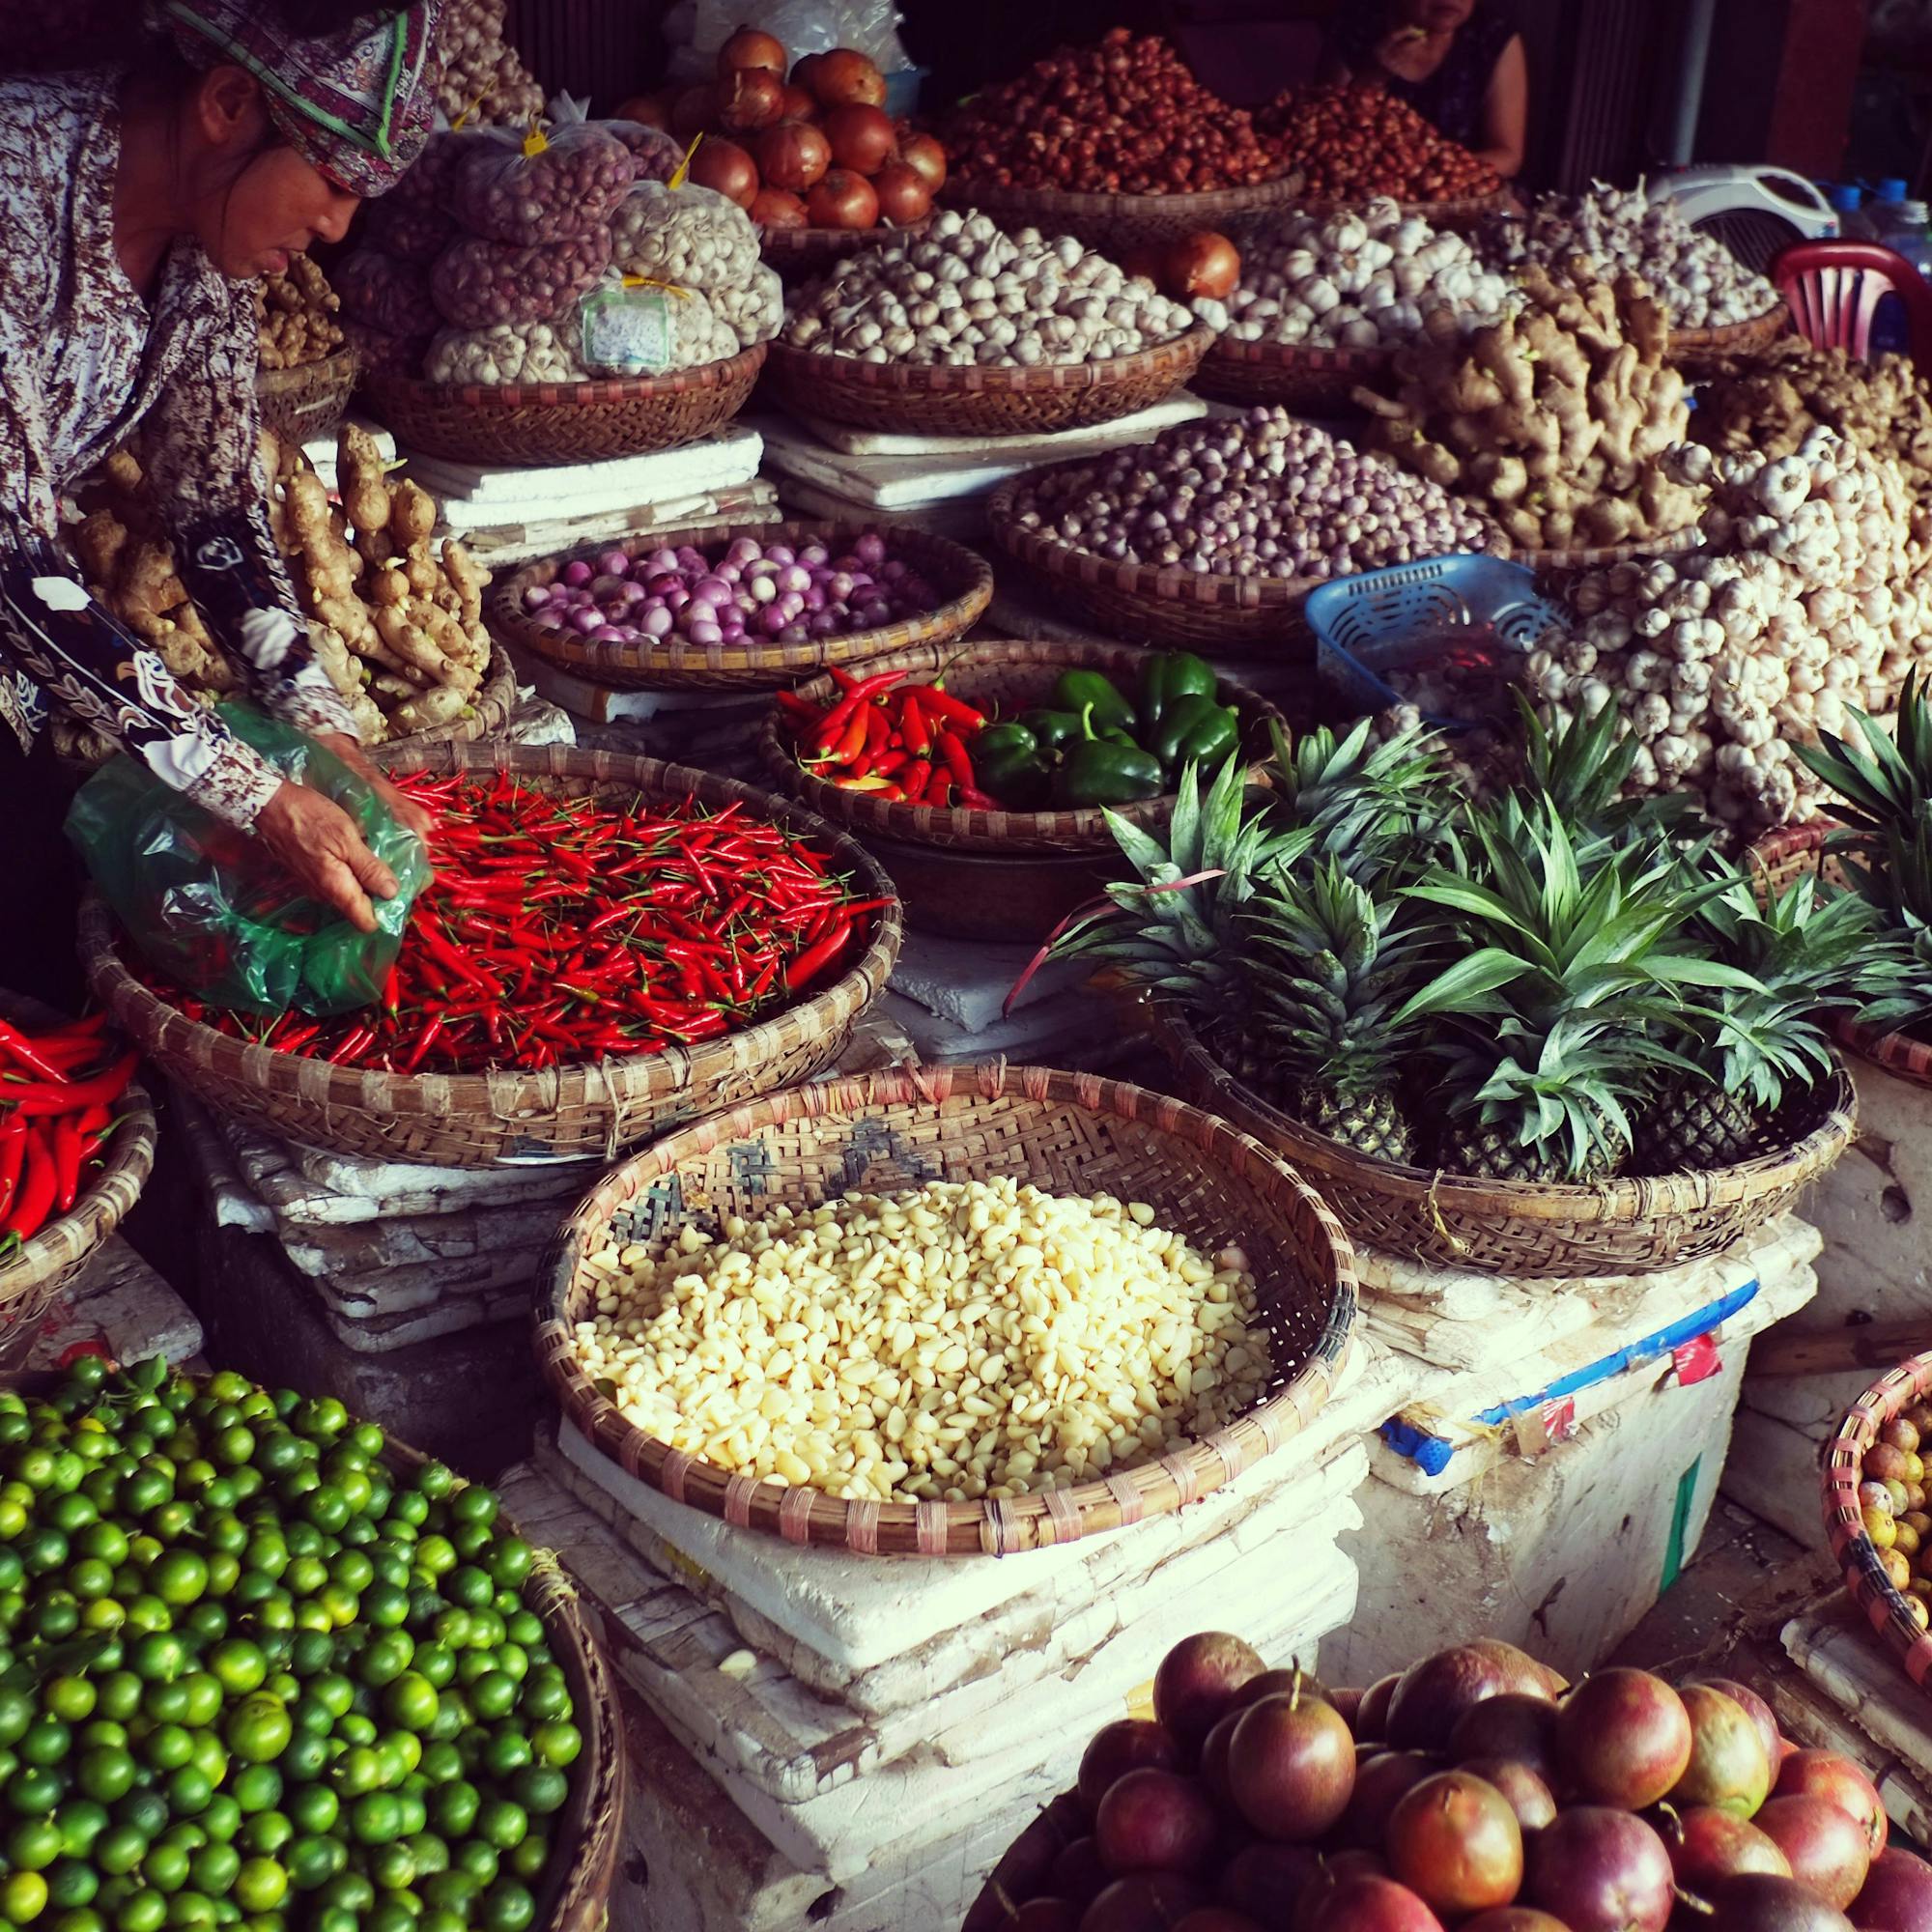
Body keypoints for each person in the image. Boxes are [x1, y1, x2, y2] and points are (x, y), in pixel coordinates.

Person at [0, 0, 440, 1002]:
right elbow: (12, 560)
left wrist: (317, 724)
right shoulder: (12, 187)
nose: (337, 228)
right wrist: (257, 791)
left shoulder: (207, 247)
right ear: (228, 103)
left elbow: (214, 509)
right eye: (331, 184)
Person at [1321, 0, 1527, 181]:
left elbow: (1508, 156)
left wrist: (1428, 175)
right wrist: (1373, 76)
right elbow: (1326, 143)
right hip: (1370, 202)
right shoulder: (1356, 26)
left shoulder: (1492, 36)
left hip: (1463, 199)